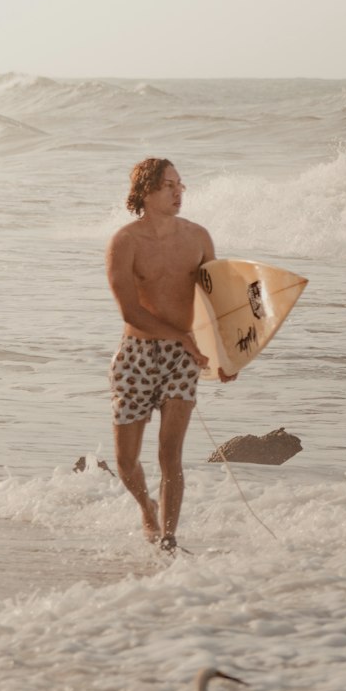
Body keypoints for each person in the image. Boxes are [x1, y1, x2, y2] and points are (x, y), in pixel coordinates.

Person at [105, 158, 234, 552]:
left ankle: (168, 537)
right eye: (168, 186)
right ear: (145, 191)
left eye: (181, 185)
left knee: (170, 454)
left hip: (183, 357)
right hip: (137, 354)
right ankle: (147, 506)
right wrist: (183, 338)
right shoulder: (124, 241)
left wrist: (228, 355)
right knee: (126, 461)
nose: (178, 193)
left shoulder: (198, 237)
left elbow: (219, 302)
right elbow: (130, 311)